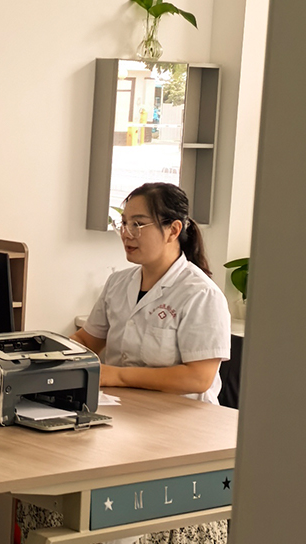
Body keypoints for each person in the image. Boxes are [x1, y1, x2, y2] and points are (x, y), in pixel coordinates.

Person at [71, 182, 231, 544]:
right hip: (123, 418)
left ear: (173, 229)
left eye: (138, 224)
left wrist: (117, 376)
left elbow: (199, 378)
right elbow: (88, 340)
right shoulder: (118, 283)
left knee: (118, 527)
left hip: (179, 430)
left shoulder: (200, 294)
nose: (126, 234)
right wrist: (52, 353)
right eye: (123, 223)